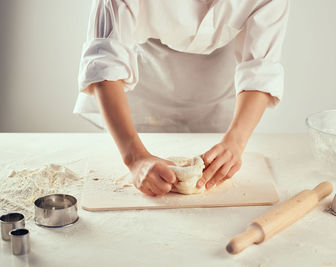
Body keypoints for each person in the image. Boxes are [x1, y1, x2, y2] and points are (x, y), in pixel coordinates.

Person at [73, 0, 289, 196]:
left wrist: (236, 141)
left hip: (216, 95)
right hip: (140, 91)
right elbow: (105, 60)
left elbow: (260, 68)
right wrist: (134, 157)